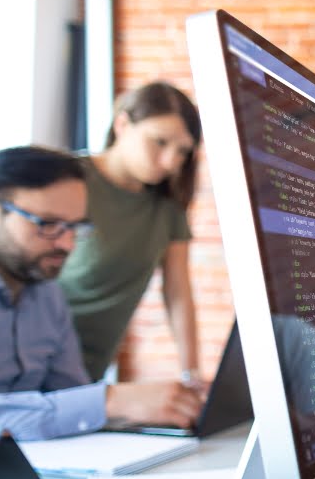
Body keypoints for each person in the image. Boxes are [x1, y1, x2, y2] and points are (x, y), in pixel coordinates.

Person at [0, 147, 202, 450]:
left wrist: (153, 410)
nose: (67, 244)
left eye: (75, 227)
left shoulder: (46, 292)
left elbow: (72, 396)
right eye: (47, 225)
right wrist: (108, 401)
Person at [58, 81, 205, 384]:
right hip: (32, 362)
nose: (170, 162)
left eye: (182, 152)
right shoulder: (68, 178)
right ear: (123, 123)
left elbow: (177, 291)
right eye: (159, 142)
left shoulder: (168, 206)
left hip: (88, 377)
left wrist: (191, 375)